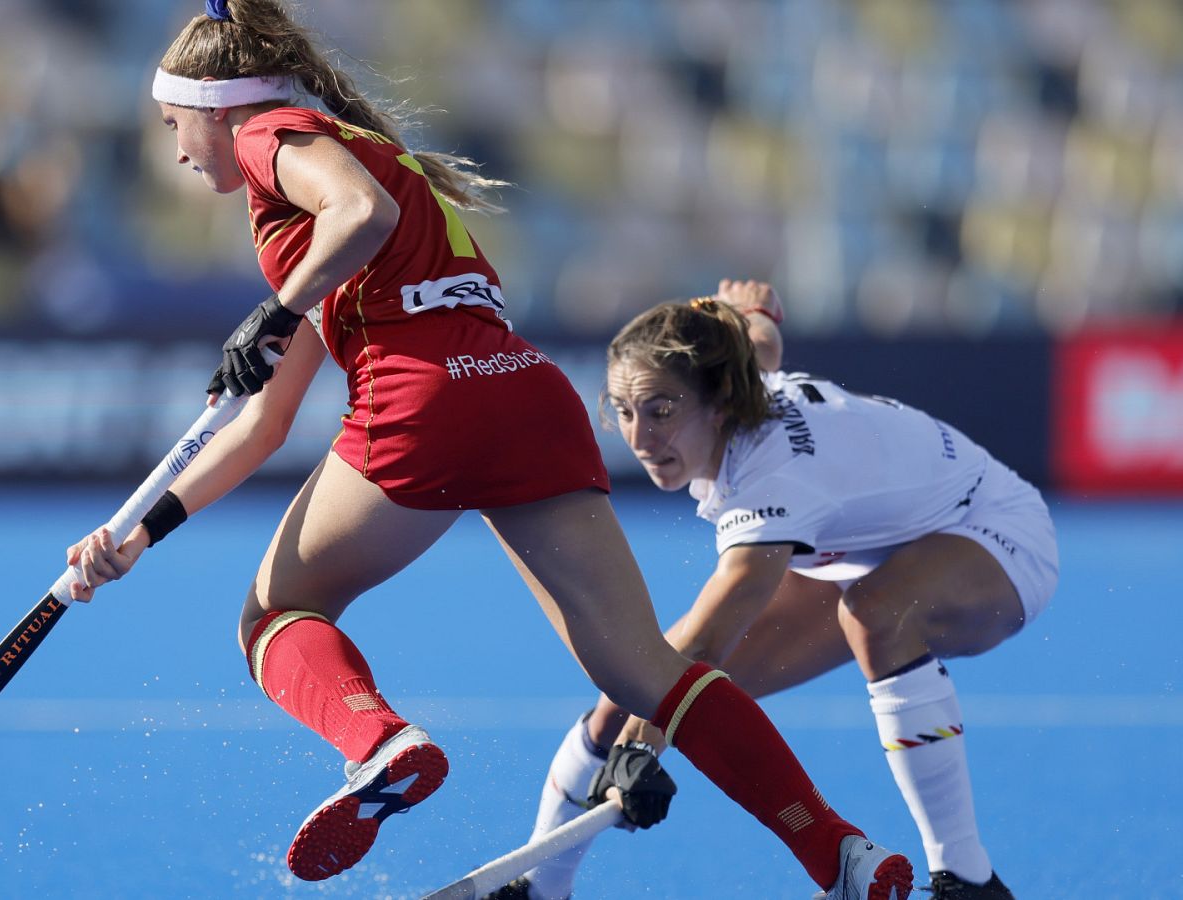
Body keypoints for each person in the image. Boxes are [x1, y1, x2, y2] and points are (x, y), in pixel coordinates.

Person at [66, 3, 914, 896]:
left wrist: (272, 312)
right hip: (523, 388)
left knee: (274, 617)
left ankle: (379, 743)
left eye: (173, 122)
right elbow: (262, 426)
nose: (174, 149)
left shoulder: (269, 133)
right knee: (645, 670)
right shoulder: (347, 161)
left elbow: (360, 212)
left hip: (426, 395)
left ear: (219, 102)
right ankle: (840, 853)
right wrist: (137, 535)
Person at [498, 281, 1055, 900]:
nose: (639, 438)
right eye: (623, 412)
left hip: (999, 535)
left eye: (660, 411)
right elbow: (756, 343)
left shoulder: (774, 477)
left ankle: (968, 877)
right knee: (623, 698)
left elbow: (706, 640)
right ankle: (540, 888)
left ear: (718, 404)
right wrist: (754, 314)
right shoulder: (736, 376)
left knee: (873, 613)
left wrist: (640, 752)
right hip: (873, 551)